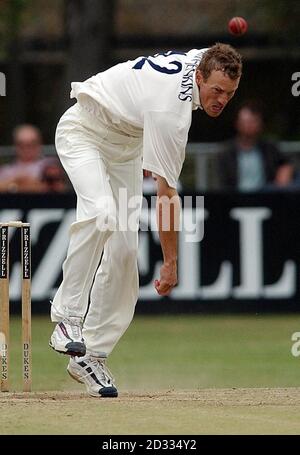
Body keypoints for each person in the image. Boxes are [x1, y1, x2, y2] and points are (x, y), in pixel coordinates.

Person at [49, 43, 242, 397]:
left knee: (123, 254)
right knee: (102, 213)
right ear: (199, 77)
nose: (221, 100)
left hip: (126, 151)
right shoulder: (172, 113)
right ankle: (67, 319)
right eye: (216, 90)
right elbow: (167, 196)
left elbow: (216, 52)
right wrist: (171, 262)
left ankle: (90, 355)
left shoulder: (204, 60)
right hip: (84, 132)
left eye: (229, 93)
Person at [219, 103, 284, 191]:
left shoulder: (269, 148)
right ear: (237, 124)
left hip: (266, 197)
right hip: (235, 199)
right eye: (246, 122)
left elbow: (285, 164)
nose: (249, 126)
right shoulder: (227, 152)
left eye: (253, 121)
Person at [0, 124, 49, 193]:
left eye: (32, 144)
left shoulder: (50, 165)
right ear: (15, 146)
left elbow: (52, 187)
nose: (27, 149)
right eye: (21, 145)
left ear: (40, 144)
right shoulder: (6, 170)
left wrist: (13, 183)